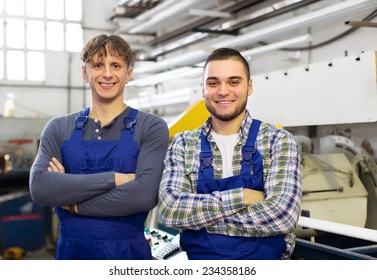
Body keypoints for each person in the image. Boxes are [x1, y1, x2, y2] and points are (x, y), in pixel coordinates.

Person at [29, 34, 169, 260]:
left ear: (128, 74)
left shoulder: (150, 127)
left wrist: (73, 203)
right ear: (85, 73)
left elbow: (143, 196)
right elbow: (41, 187)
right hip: (72, 256)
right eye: (97, 65)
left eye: (116, 65)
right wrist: (115, 179)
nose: (107, 73)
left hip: (128, 254)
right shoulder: (58, 128)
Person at [157, 48, 302, 260]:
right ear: (203, 89)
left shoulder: (278, 141)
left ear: (249, 86)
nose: (223, 91)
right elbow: (170, 210)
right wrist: (242, 196)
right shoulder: (183, 144)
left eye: (234, 82)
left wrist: (200, 223)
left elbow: (282, 216)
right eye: (213, 83)